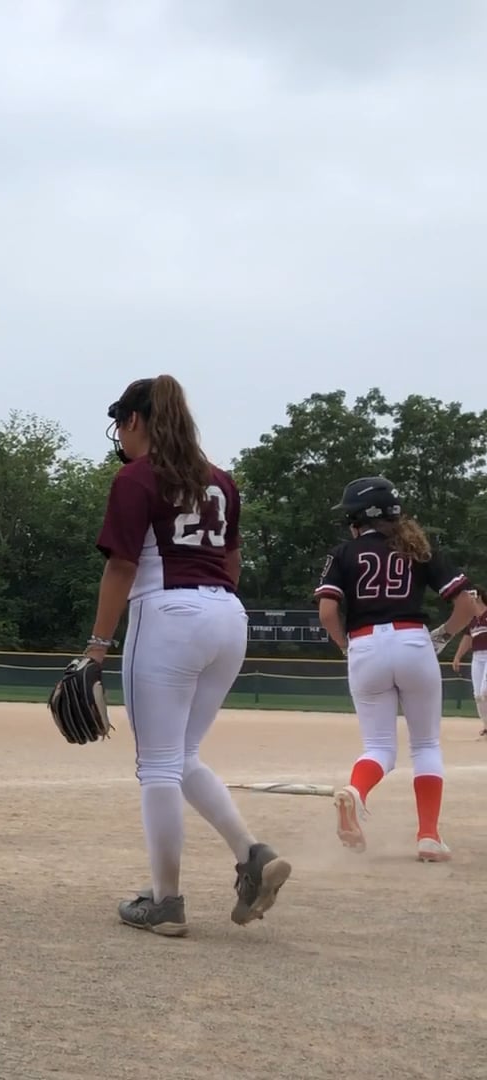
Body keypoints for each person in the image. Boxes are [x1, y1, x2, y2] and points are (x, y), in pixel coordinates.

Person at [88, 375, 288, 936]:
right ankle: (252, 855)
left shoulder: (135, 477)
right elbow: (231, 561)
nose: (120, 436)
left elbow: (122, 565)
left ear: (134, 420)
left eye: (121, 425)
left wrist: (96, 647)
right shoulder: (220, 479)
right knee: (181, 756)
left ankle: (165, 901)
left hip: (168, 612)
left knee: (157, 765)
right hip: (228, 615)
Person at [316, 477, 478, 863]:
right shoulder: (417, 548)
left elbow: (327, 612)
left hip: (365, 644)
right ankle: (428, 836)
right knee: (425, 746)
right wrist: (443, 635)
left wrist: (345, 645)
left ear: (358, 519)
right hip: (412, 642)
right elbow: (468, 604)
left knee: (378, 748)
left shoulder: (343, 553)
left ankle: (355, 792)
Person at [449, 593, 487, 738]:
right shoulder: (472, 619)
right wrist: (457, 657)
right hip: (477, 657)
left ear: (478, 597)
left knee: (485, 691)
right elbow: (467, 639)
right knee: (477, 695)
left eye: (471, 595)